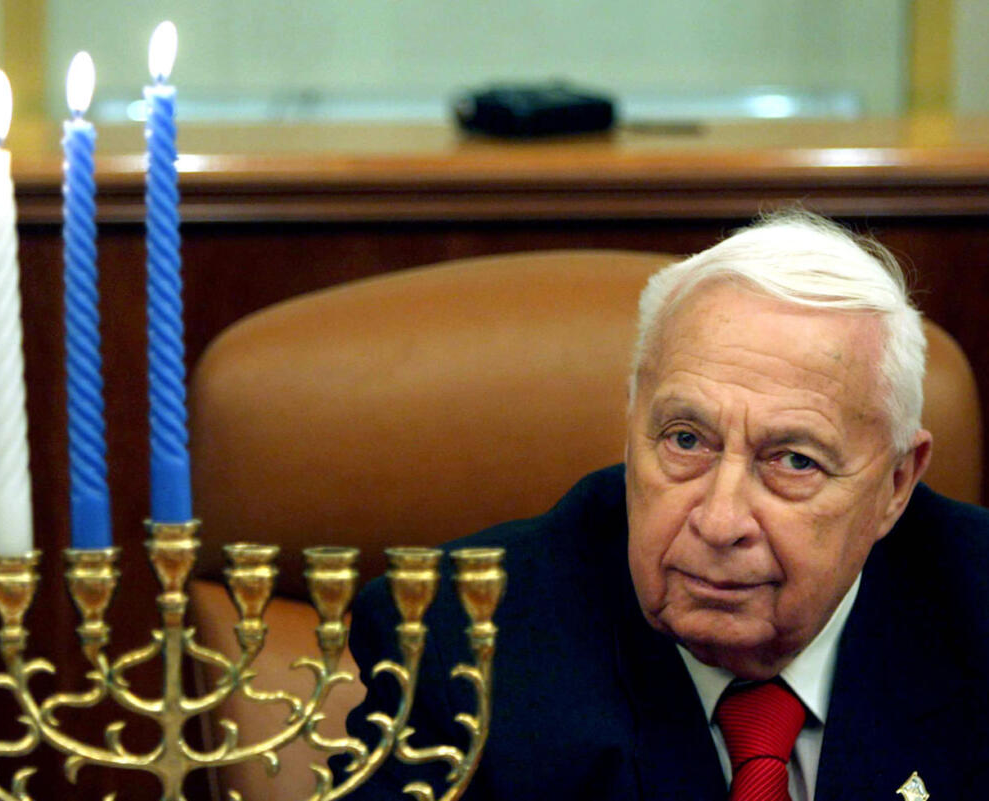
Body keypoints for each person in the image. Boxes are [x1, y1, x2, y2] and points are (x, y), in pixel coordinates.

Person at [335, 212, 989, 800]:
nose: (720, 519)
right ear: (631, 425)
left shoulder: (974, 602)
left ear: (895, 484)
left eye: (793, 459)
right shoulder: (458, 640)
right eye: (686, 440)